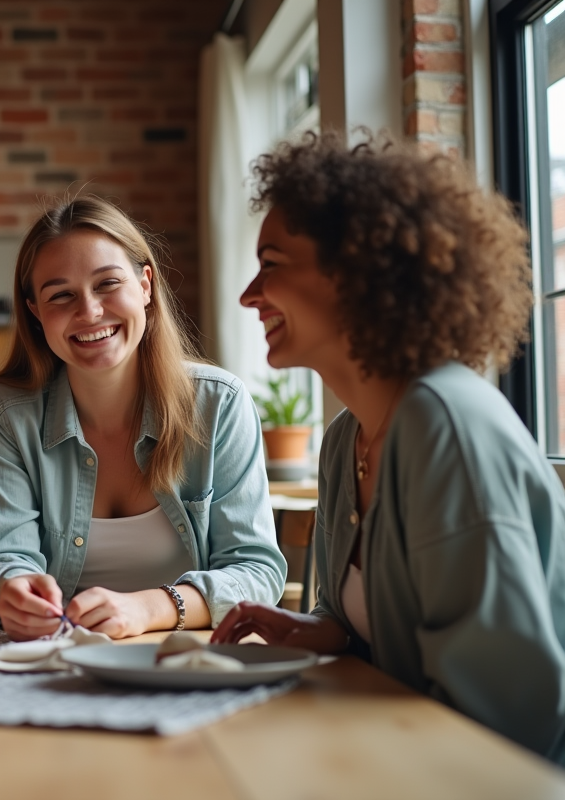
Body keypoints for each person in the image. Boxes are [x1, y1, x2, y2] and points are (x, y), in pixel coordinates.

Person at [216, 131, 565, 765]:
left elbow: (509, 719)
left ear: (357, 270)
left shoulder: (447, 428)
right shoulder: (346, 439)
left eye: (272, 263)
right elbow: (383, 632)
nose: (248, 294)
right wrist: (326, 632)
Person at [0, 195, 285, 641]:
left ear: (146, 286)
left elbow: (256, 572)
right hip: (52, 662)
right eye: (61, 295)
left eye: (107, 283)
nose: (90, 311)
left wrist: (150, 607)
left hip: (186, 665)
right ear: (36, 312)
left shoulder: (219, 403)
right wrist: (10, 591)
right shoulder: (2, 414)